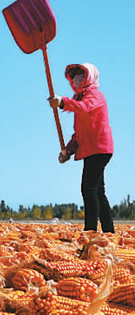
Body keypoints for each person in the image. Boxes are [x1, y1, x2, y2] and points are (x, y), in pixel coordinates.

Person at [48, 63, 115, 233]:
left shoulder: (94, 96)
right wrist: (68, 151)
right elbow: (78, 134)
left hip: (99, 149)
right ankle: (109, 231)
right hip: (92, 150)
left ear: (89, 78)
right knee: (98, 191)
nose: (77, 79)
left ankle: (90, 232)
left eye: (81, 76)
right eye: (75, 76)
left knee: (88, 189)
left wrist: (62, 102)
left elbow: (84, 108)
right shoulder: (79, 100)